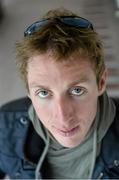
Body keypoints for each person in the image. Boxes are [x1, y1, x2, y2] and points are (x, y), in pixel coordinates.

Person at [0, 8, 119, 179]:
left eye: (77, 90)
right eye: (43, 93)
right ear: (28, 90)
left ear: (101, 83)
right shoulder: (5, 126)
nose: (63, 117)